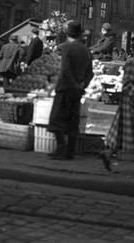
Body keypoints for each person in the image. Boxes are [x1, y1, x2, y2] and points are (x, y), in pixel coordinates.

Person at [99, 31, 134, 179]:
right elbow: (126, 85)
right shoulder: (132, 63)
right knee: (126, 135)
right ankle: (108, 154)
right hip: (132, 105)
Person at [47, 21, 94, 161]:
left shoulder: (67, 48)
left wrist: (73, 83)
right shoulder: (86, 50)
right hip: (77, 91)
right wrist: (82, 85)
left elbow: (66, 69)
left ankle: (61, 148)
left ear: (67, 34)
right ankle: (70, 152)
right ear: (80, 34)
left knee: (56, 119)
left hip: (65, 88)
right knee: (73, 122)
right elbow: (90, 73)